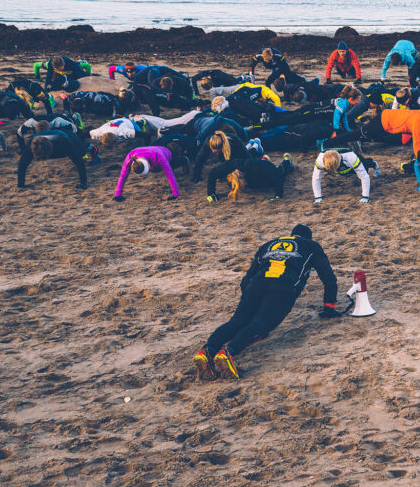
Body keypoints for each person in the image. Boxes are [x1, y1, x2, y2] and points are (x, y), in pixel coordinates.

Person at [193, 224, 339, 380]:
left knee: (237, 321)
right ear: (307, 237)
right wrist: (329, 307)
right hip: (283, 286)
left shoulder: (269, 244)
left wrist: (248, 299)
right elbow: (329, 278)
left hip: (256, 284)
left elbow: (247, 277)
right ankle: (228, 352)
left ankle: (207, 351)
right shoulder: (311, 246)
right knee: (260, 324)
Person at [16, 125, 89, 190]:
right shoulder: (32, 143)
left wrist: (83, 183)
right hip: (53, 138)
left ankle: (91, 146)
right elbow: (22, 164)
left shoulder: (63, 142)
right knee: (25, 160)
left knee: (81, 151)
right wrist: (20, 184)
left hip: (68, 135)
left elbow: (79, 162)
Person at [206, 155, 295, 202]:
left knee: (280, 175)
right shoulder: (230, 165)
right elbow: (212, 174)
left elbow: (278, 177)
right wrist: (210, 193)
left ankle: (287, 160)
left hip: (263, 169)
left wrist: (278, 196)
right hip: (256, 169)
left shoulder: (254, 168)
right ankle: (264, 159)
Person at [113, 146, 183, 201]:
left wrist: (175, 194)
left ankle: (184, 160)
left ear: (148, 165)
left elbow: (170, 176)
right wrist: (118, 194)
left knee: (174, 165)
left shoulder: (159, 156)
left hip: (166, 152)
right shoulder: (130, 158)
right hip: (149, 151)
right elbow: (123, 176)